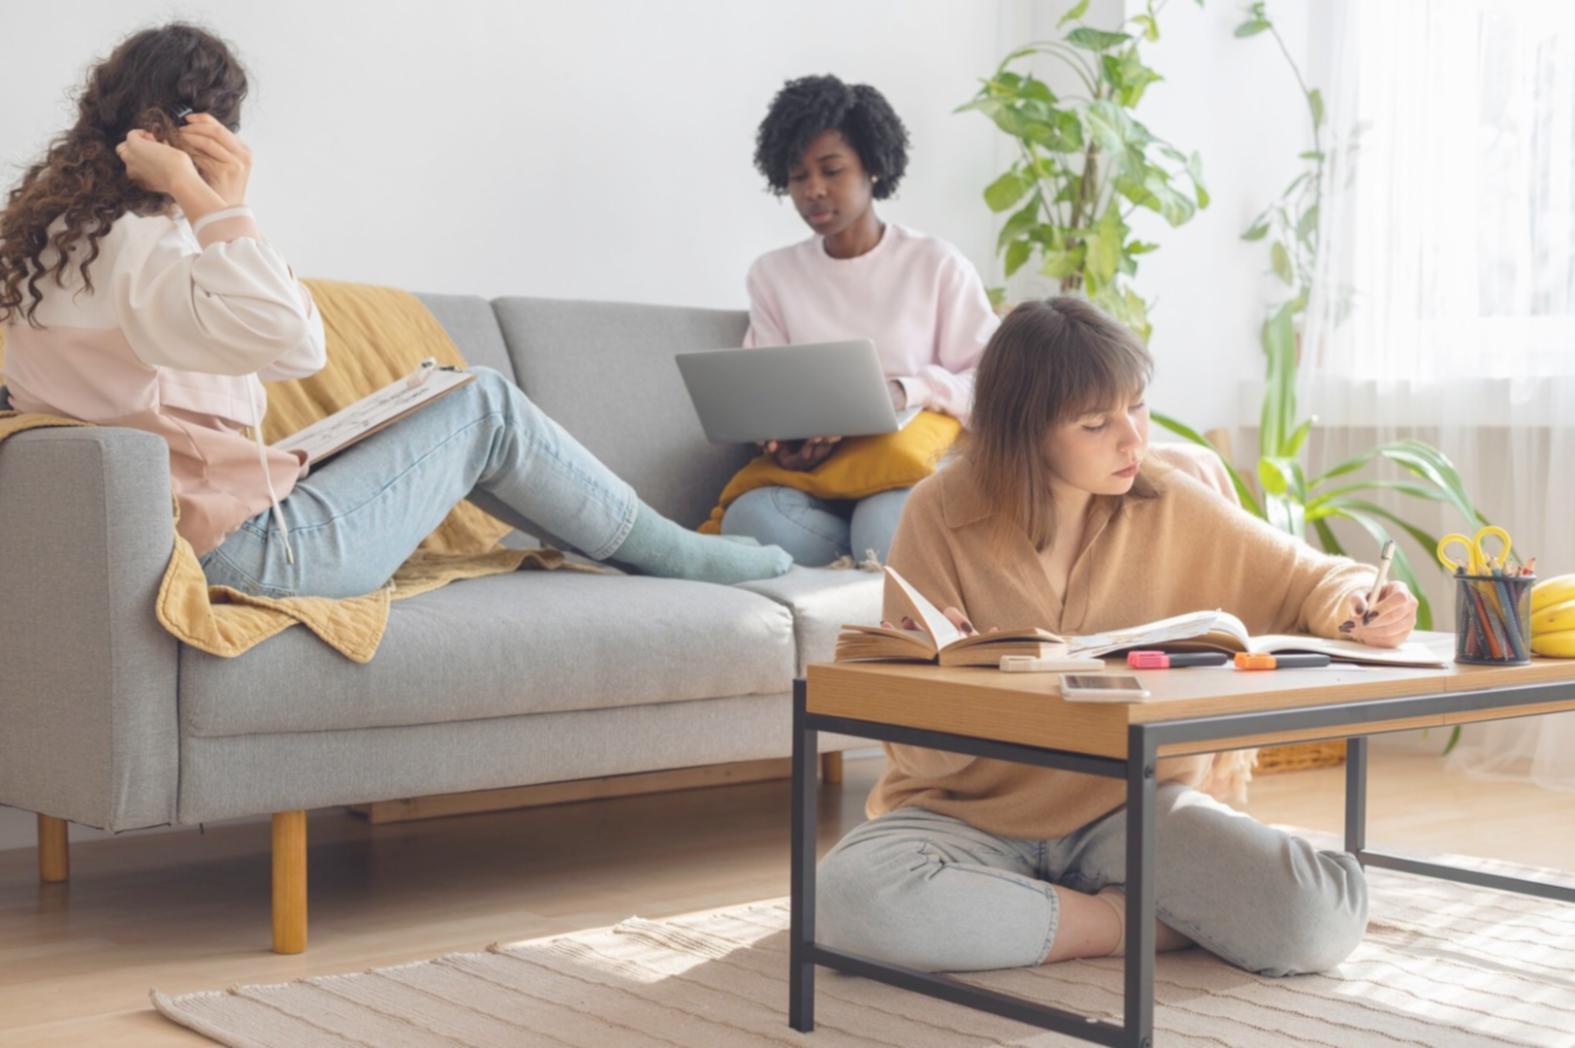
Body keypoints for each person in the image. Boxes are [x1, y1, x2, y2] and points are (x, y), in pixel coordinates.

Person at [0, 24, 790, 601]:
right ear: (203, 132)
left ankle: (655, 552)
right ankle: (680, 555)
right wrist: (210, 197)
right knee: (481, 401)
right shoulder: (143, 247)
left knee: (437, 392)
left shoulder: (48, 245)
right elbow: (295, 343)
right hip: (244, 553)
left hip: (200, 526)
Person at [816, 297, 1418, 975]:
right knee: (848, 900)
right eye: (1096, 424)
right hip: (963, 816)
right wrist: (950, 684)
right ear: (1026, 431)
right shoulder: (939, 513)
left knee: (1316, 919)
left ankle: (1029, 917)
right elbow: (918, 757)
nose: (1132, 440)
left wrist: (1363, 605)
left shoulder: (1170, 499)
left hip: (1130, 806)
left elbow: (1312, 578)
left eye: (1136, 407)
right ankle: (1121, 920)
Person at [721, 73, 996, 566]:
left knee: (882, 522)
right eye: (798, 175)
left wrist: (906, 390)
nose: (814, 191)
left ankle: (875, 583)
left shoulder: (936, 264)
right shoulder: (772, 275)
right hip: (819, 482)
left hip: (912, 471)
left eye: (831, 170)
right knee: (749, 518)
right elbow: (761, 392)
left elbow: (992, 385)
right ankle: (865, 568)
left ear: (872, 166)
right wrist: (782, 443)